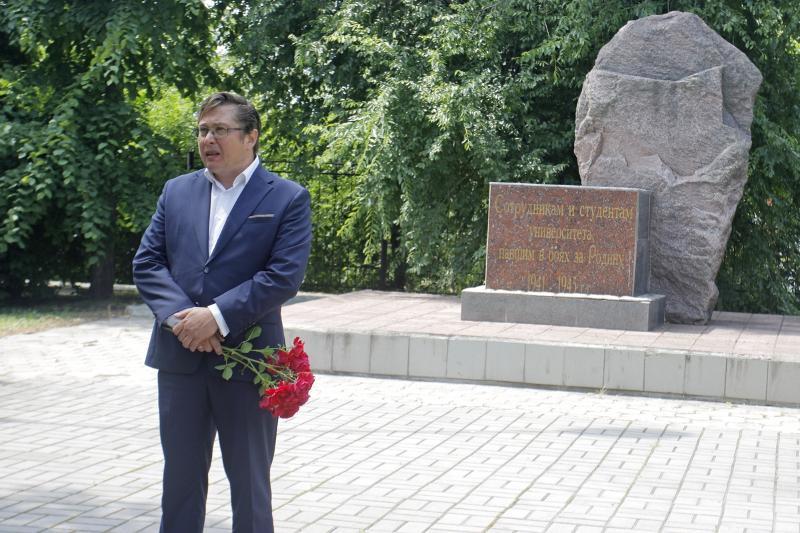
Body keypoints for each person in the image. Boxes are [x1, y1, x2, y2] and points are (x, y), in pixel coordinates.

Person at [132, 91, 312, 533]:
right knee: (180, 483)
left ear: (251, 136)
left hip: (249, 363)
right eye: (203, 130)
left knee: (250, 487)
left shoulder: (287, 197)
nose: (208, 139)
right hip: (180, 359)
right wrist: (183, 319)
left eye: (220, 130)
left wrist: (215, 316)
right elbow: (148, 262)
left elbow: (282, 276)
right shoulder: (177, 191)